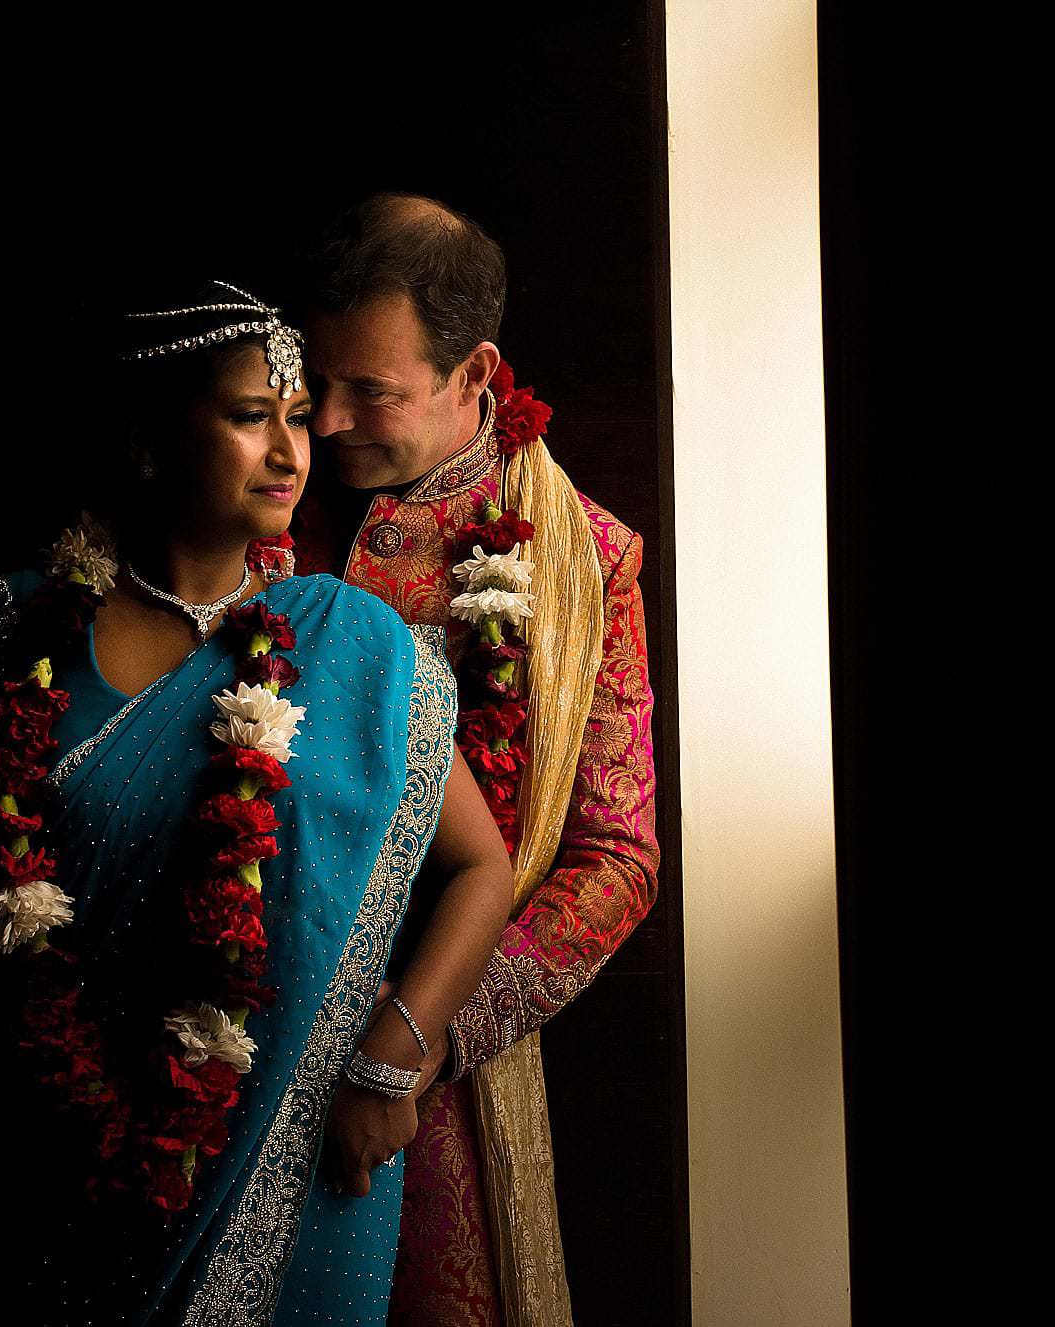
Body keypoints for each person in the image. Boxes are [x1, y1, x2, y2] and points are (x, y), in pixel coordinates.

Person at [0, 282, 515, 1326]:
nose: (293, 452)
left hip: (294, 1159)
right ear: (148, 441)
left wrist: (389, 1061)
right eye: (252, 418)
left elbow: (482, 868)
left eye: (297, 418)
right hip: (41, 1158)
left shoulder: (349, 645)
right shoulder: (5, 638)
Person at [288, 194, 660, 1326]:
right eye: (319, 380)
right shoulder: (262, 483)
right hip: (224, 1012)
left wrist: (421, 1036)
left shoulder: (580, 561)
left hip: (423, 1076)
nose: (332, 419)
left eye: (375, 392)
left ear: (476, 373)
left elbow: (614, 859)